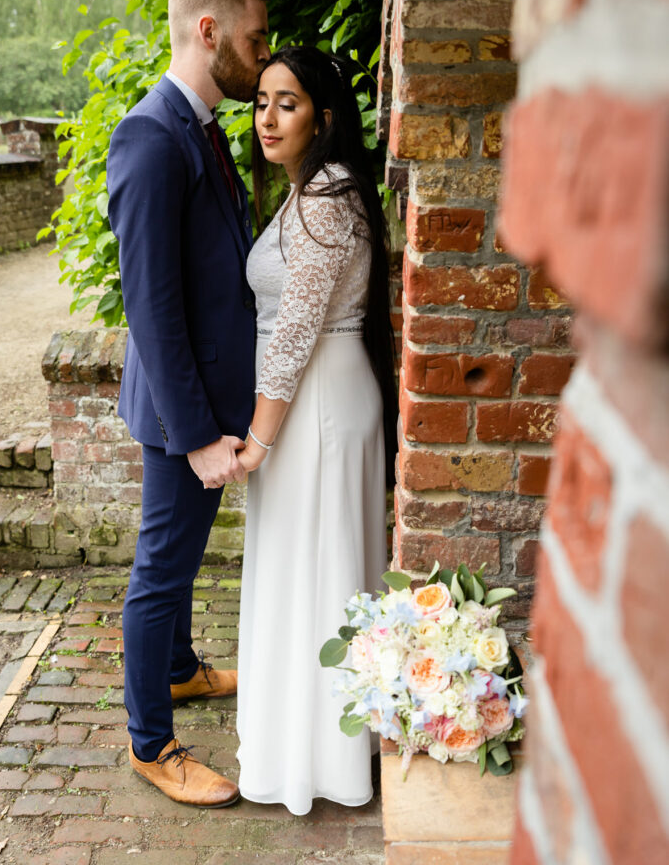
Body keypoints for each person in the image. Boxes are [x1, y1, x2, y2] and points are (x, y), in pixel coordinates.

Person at [106, 0, 270, 806]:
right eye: (254, 37)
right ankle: (150, 742)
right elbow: (152, 306)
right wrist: (199, 431)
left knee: (176, 558)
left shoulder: (200, 124)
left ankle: (178, 670)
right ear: (209, 33)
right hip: (183, 412)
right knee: (162, 571)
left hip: (202, 401)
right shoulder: (150, 134)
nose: (262, 53)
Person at [235, 45, 398, 815]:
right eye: (261, 101)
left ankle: (322, 761)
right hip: (312, 398)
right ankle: (309, 743)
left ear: (325, 119)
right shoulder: (310, 190)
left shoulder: (328, 195)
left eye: (287, 103)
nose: (268, 118)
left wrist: (256, 443)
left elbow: (295, 329)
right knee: (309, 572)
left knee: (318, 575)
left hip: (318, 402)